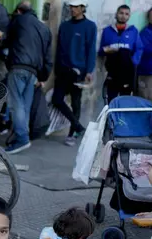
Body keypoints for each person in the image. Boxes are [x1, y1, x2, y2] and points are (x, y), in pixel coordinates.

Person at [3, 1, 53, 154]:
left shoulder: (18, 20)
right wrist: (43, 77)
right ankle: (22, 137)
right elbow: (48, 58)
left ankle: (22, 138)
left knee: (16, 104)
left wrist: (1, 49)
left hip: (18, 67)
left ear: (18, 11)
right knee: (24, 106)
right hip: (33, 73)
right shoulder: (44, 28)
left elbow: (6, 41)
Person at [52, 0, 97, 147]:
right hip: (63, 70)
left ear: (83, 8)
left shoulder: (90, 26)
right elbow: (59, 49)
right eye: (71, 6)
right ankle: (78, 126)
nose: (72, 9)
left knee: (76, 102)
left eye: (76, 6)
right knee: (57, 100)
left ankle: (72, 133)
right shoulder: (64, 26)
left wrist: (89, 71)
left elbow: (91, 50)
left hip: (79, 71)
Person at [98, 5, 143, 103]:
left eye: (126, 14)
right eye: (121, 13)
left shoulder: (133, 31)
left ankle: (123, 118)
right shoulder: (107, 30)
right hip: (112, 72)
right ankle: (110, 118)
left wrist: (133, 62)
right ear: (116, 14)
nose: (123, 16)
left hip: (127, 72)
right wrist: (107, 50)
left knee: (125, 100)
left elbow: (139, 48)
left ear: (129, 16)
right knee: (111, 99)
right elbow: (101, 51)